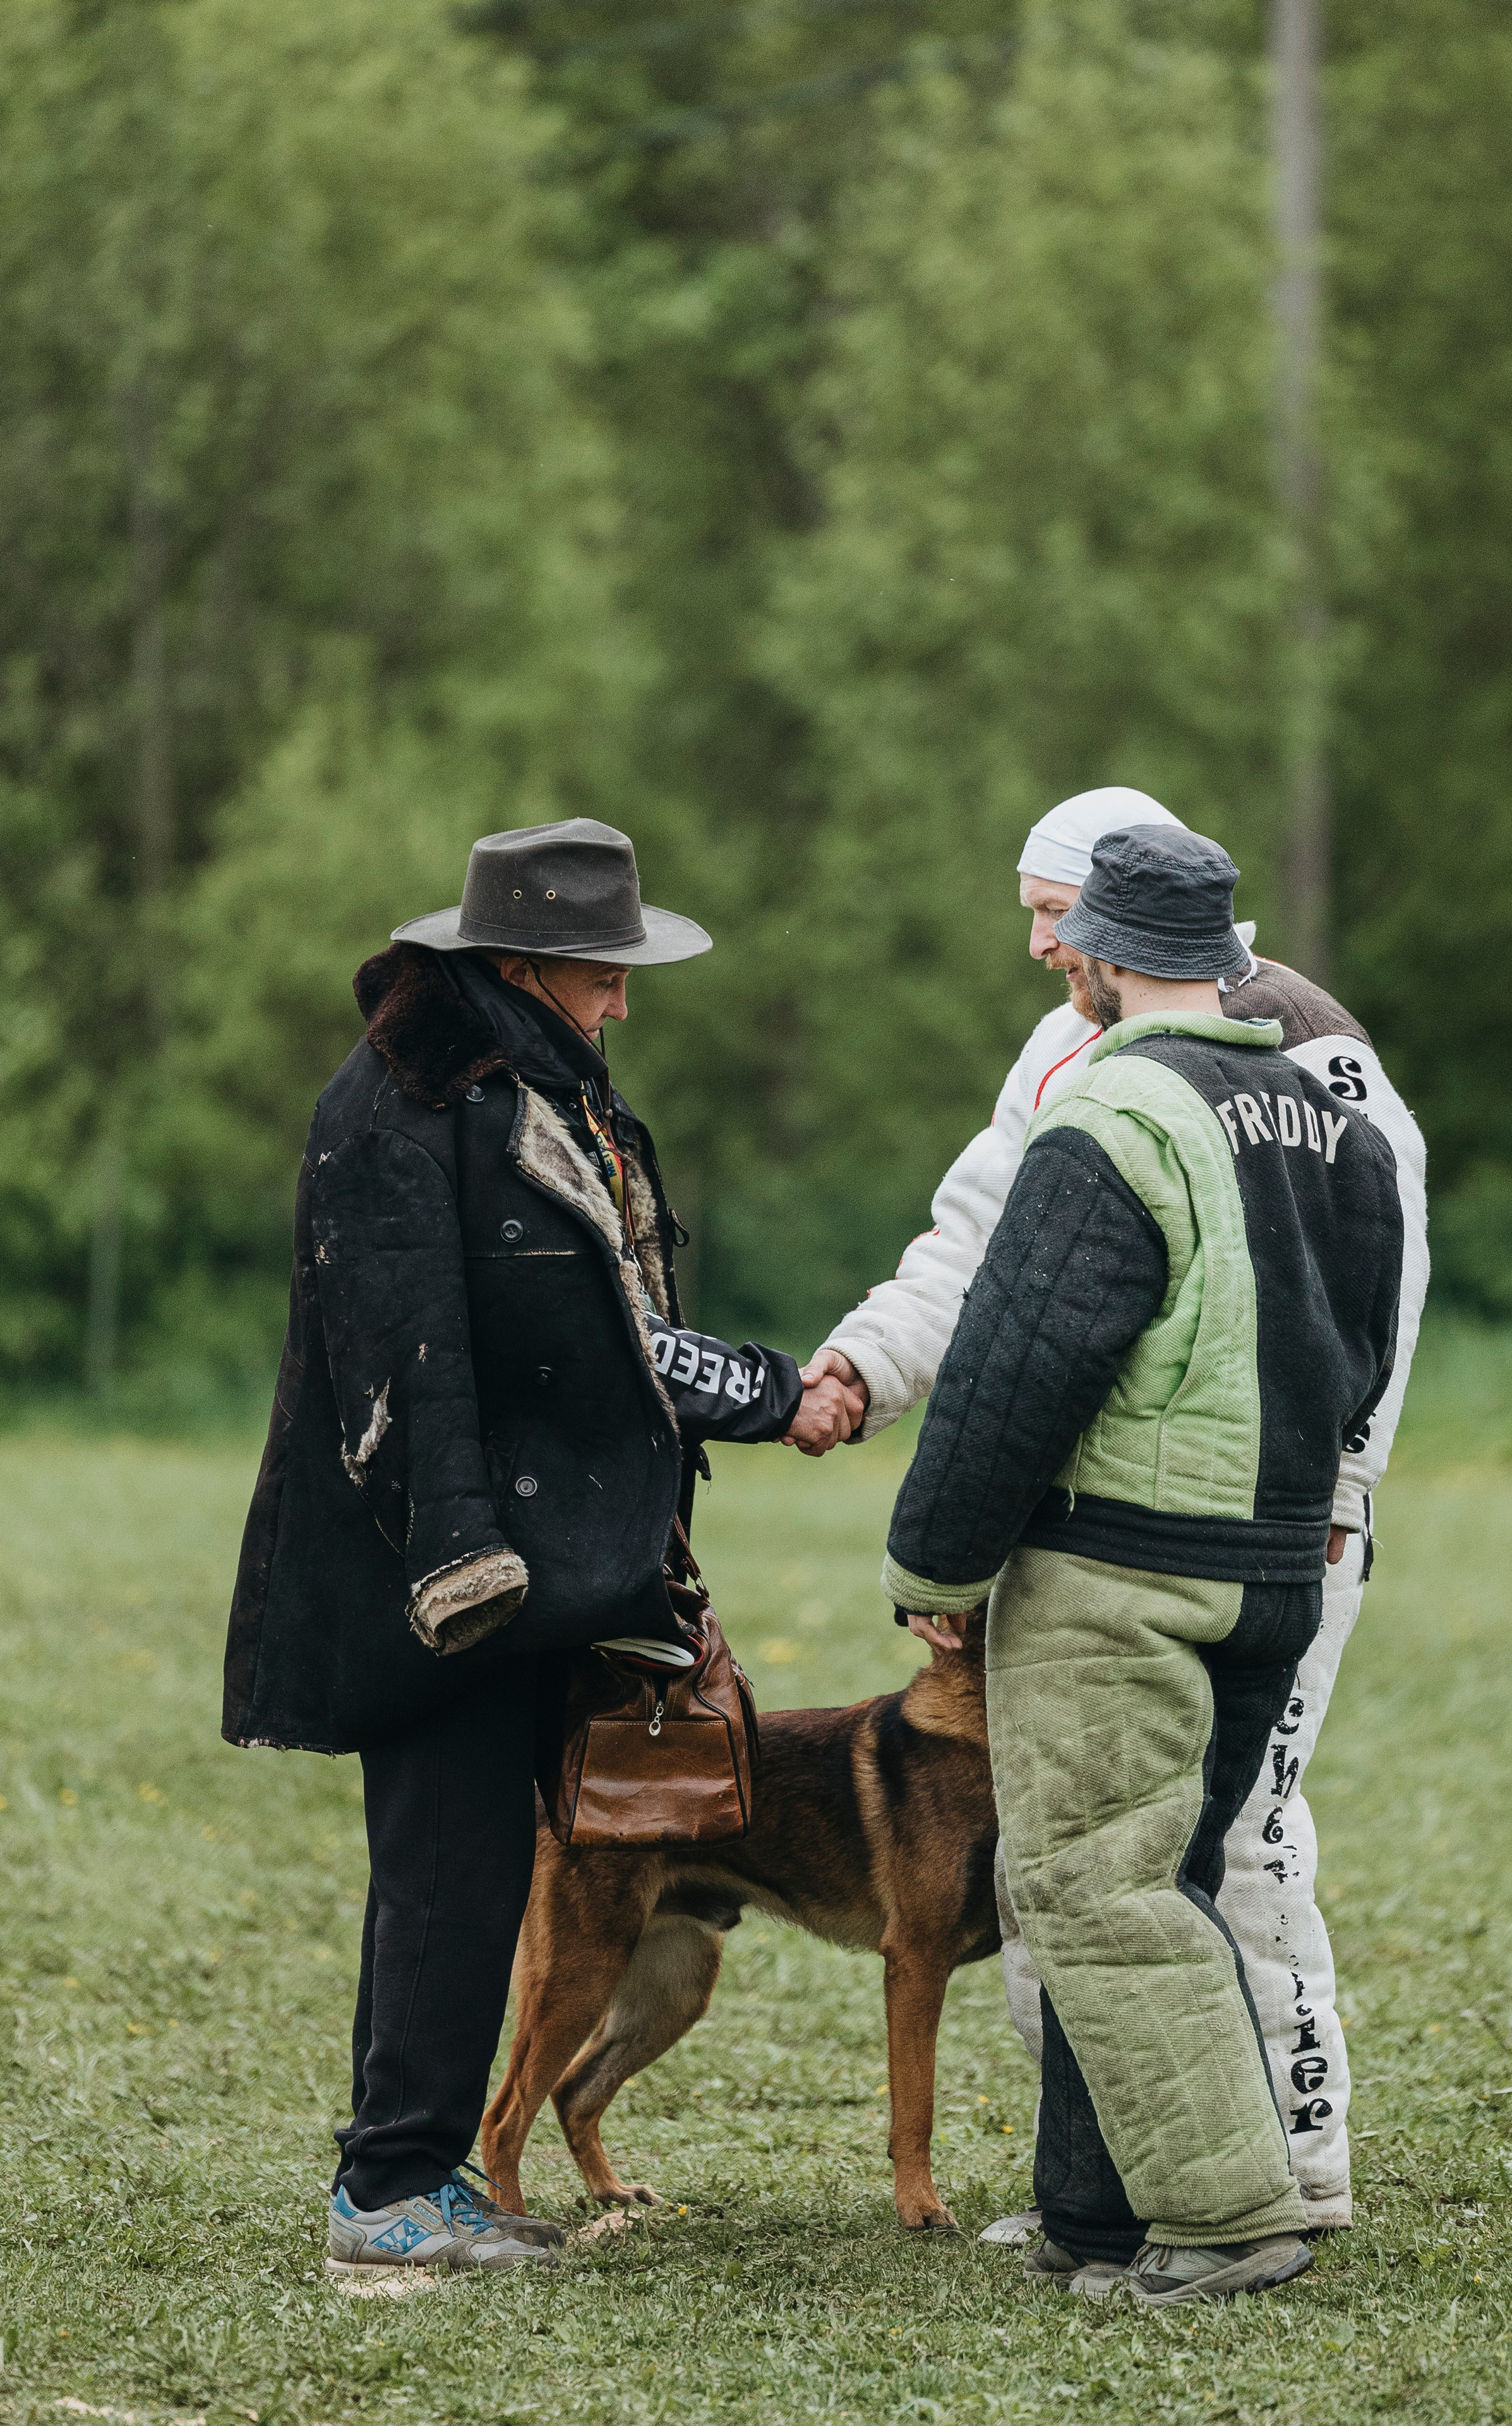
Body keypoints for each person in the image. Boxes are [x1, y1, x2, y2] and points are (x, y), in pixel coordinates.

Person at [222, 818, 852, 2275]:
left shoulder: (536, 1090)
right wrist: (456, 1562)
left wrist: (765, 1392)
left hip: (533, 1559)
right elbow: (404, 1356)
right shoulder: (400, 1103)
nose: (621, 999)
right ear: (516, 964)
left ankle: (412, 2177)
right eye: (599, 973)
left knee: (473, 1876)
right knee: (445, 1873)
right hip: (443, 1572)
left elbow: (611, 1342)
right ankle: (390, 2195)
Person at [805, 787, 1428, 2236]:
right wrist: (862, 1361)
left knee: (1233, 1840)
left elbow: (1361, 1285)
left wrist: (1331, 1484)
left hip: (1251, 1521)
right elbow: (981, 1245)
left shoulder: (1303, 1046)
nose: (1032, 944)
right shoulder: (1072, 1044)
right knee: (1070, 1855)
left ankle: (1292, 2157)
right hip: (1104, 1530)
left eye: (1047, 913)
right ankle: (1103, 2189)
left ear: (1108, 918)